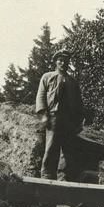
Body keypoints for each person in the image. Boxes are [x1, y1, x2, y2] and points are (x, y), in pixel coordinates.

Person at [35, 49, 84, 181]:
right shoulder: (47, 77)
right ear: (56, 62)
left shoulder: (73, 81)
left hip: (70, 120)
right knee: (51, 148)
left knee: (68, 151)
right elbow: (40, 97)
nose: (63, 62)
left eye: (66, 60)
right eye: (60, 60)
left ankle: (64, 179)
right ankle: (47, 177)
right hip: (54, 118)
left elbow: (79, 103)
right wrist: (44, 116)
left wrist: (79, 121)